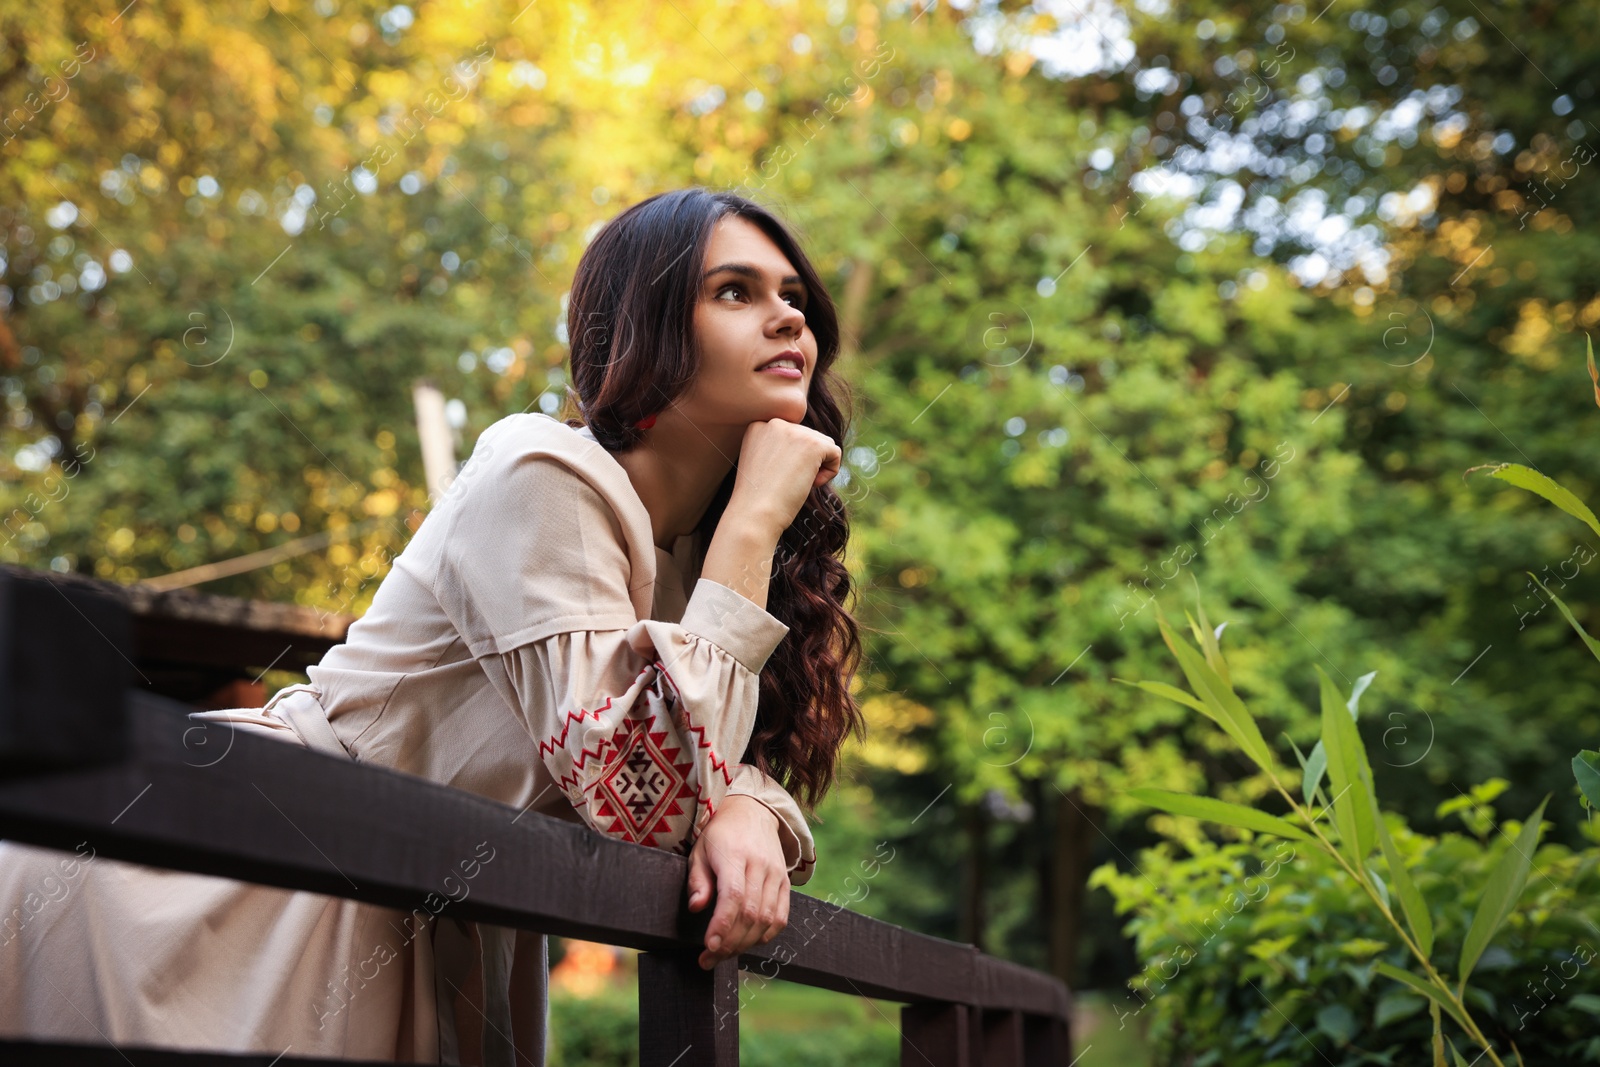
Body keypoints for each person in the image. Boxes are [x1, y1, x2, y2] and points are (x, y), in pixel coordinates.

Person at [0, 186, 865, 1065]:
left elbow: (683, 776)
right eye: (735, 290)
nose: (786, 318)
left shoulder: (707, 557)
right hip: (269, 878)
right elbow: (640, 796)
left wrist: (752, 806)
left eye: (793, 296)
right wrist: (755, 518)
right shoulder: (544, 473)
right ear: (647, 325)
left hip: (441, 906)